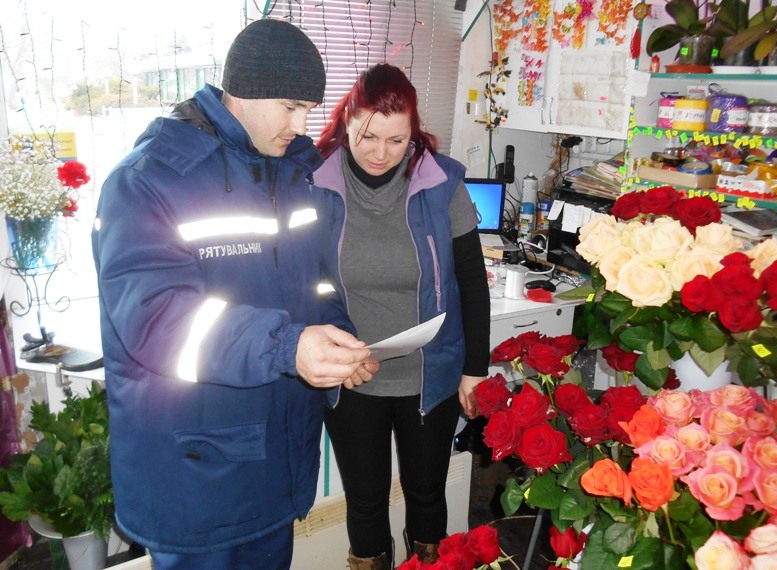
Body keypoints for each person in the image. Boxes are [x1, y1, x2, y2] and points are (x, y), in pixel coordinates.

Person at [91, 19, 376, 569]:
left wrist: (339, 342)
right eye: (291, 106)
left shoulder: (289, 173)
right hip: (196, 475)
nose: (302, 124)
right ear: (241, 89)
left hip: (274, 462)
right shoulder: (147, 180)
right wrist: (288, 347)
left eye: (309, 109)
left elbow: (312, 284)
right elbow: (156, 321)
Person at [313, 63, 491, 569]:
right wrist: (338, 347)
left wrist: (473, 368)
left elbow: (471, 286)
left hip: (428, 377)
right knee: (365, 502)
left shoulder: (441, 184)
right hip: (352, 378)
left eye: (396, 140)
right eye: (368, 136)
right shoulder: (317, 184)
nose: (379, 153)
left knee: (427, 494)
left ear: (414, 132)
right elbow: (308, 282)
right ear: (347, 119)